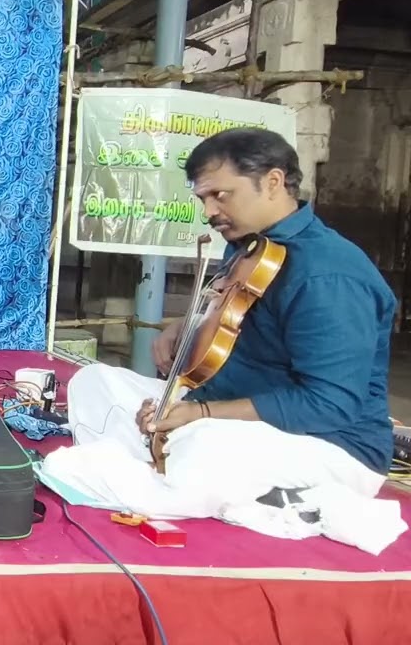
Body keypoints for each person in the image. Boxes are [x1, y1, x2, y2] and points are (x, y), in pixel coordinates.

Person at [62, 127, 396, 510]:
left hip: (328, 446)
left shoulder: (329, 275)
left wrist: (201, 414)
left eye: (220, 196)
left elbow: (329, 404)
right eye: (203, 199)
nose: (209, 213)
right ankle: (154, 469)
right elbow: (230, 316)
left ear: (272, 182)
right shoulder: (251, 246)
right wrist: (185, 327)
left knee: (201, 446)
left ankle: (151, 471)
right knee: (94, 381)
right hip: (224, 407)